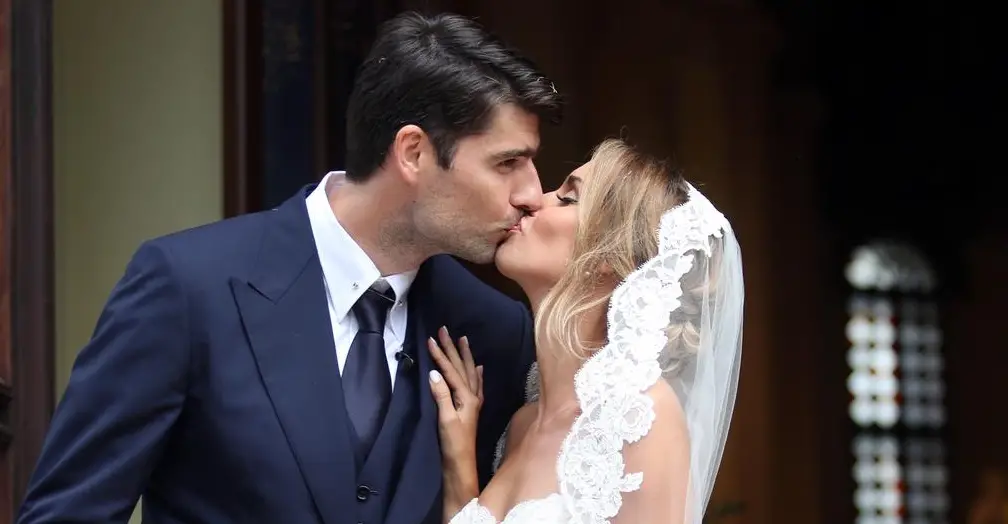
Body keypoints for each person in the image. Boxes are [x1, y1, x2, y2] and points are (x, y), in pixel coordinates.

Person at [17, 11, 561, 524]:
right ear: (413, 152)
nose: (532, 193)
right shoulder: (187, 287)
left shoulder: (494, 330)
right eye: (507, 162)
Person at [427, 139, 744, 523]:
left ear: (613, 256)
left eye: (567, 199)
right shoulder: (520, 425)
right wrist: (459, 466)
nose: (535, 200)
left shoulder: (641, 415)